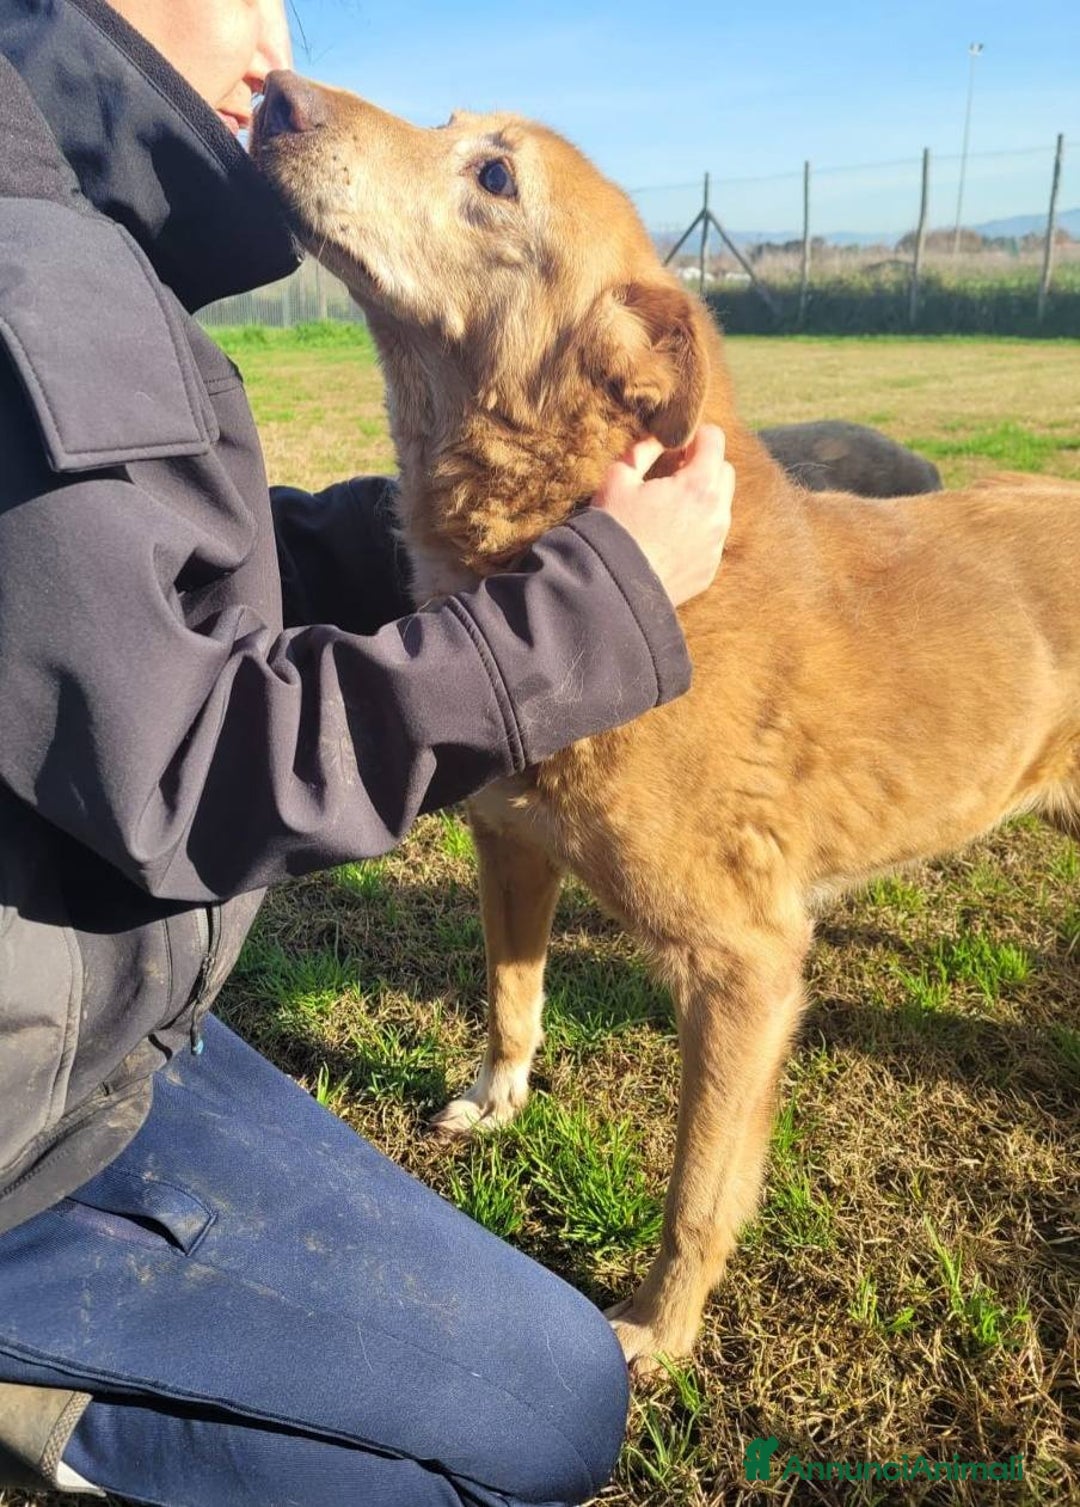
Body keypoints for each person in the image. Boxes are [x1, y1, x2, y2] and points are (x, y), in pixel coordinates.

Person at [0, 0, 734, 1502]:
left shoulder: (72, 232)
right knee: (537, 1428)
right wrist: (573, 616)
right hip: (21, 1139)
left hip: (101, 1047)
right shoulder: (24, 269)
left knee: (554, 1401)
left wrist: (460, 558)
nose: (277, 43)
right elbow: (189, 756)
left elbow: (143, 596)